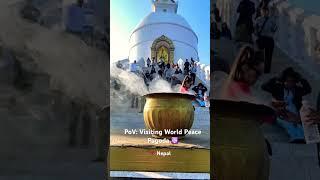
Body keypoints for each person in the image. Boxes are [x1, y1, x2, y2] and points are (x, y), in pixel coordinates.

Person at [262, 67, 312, 143]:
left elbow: (308, 89)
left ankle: (301, 138)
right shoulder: (278, 88)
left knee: (298, 125)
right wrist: (276, 78)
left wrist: (301, 79)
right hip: (281, 112)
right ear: (283, 81)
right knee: (288, 124)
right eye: (287, 81)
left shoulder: (297, 89)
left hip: (294, 113)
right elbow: (264, 86)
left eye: (291, 81)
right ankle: (295, 137)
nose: (289, 83)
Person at [255, 7, 277, 73]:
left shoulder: (272, 20)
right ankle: (259, 69)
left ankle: (267, 71)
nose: (265, 13)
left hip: (269, 39)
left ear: (268, 12)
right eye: (263, 11)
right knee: (260, 56)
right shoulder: (258, 19)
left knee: (268, 56)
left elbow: (274, 29)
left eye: (266, 11)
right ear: (261, 12)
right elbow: (255, 30)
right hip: (262, 38)